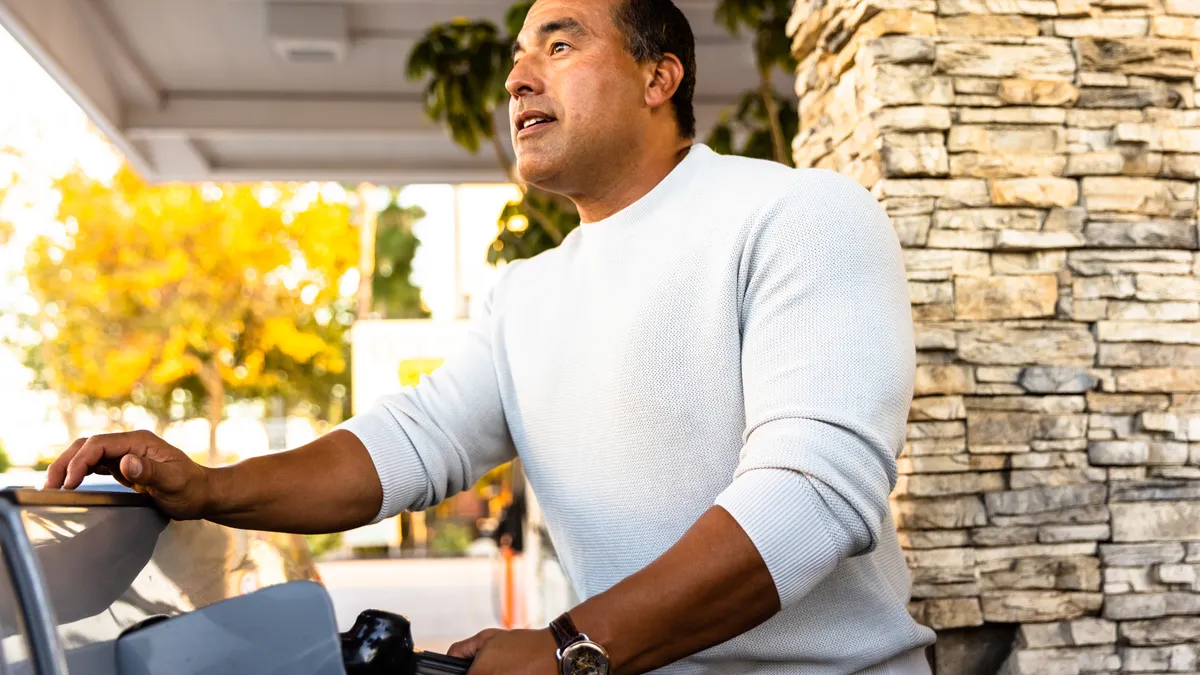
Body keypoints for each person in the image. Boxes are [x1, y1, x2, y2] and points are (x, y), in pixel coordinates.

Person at [42, 0, 937, 672]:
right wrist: (205, 486)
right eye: (518, 57)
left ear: (660, 77)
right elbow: (407, 442)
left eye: (560, 42)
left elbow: (814, 497)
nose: (517, 79)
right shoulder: (528, 294)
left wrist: (567, 648)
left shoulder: (799, 215)